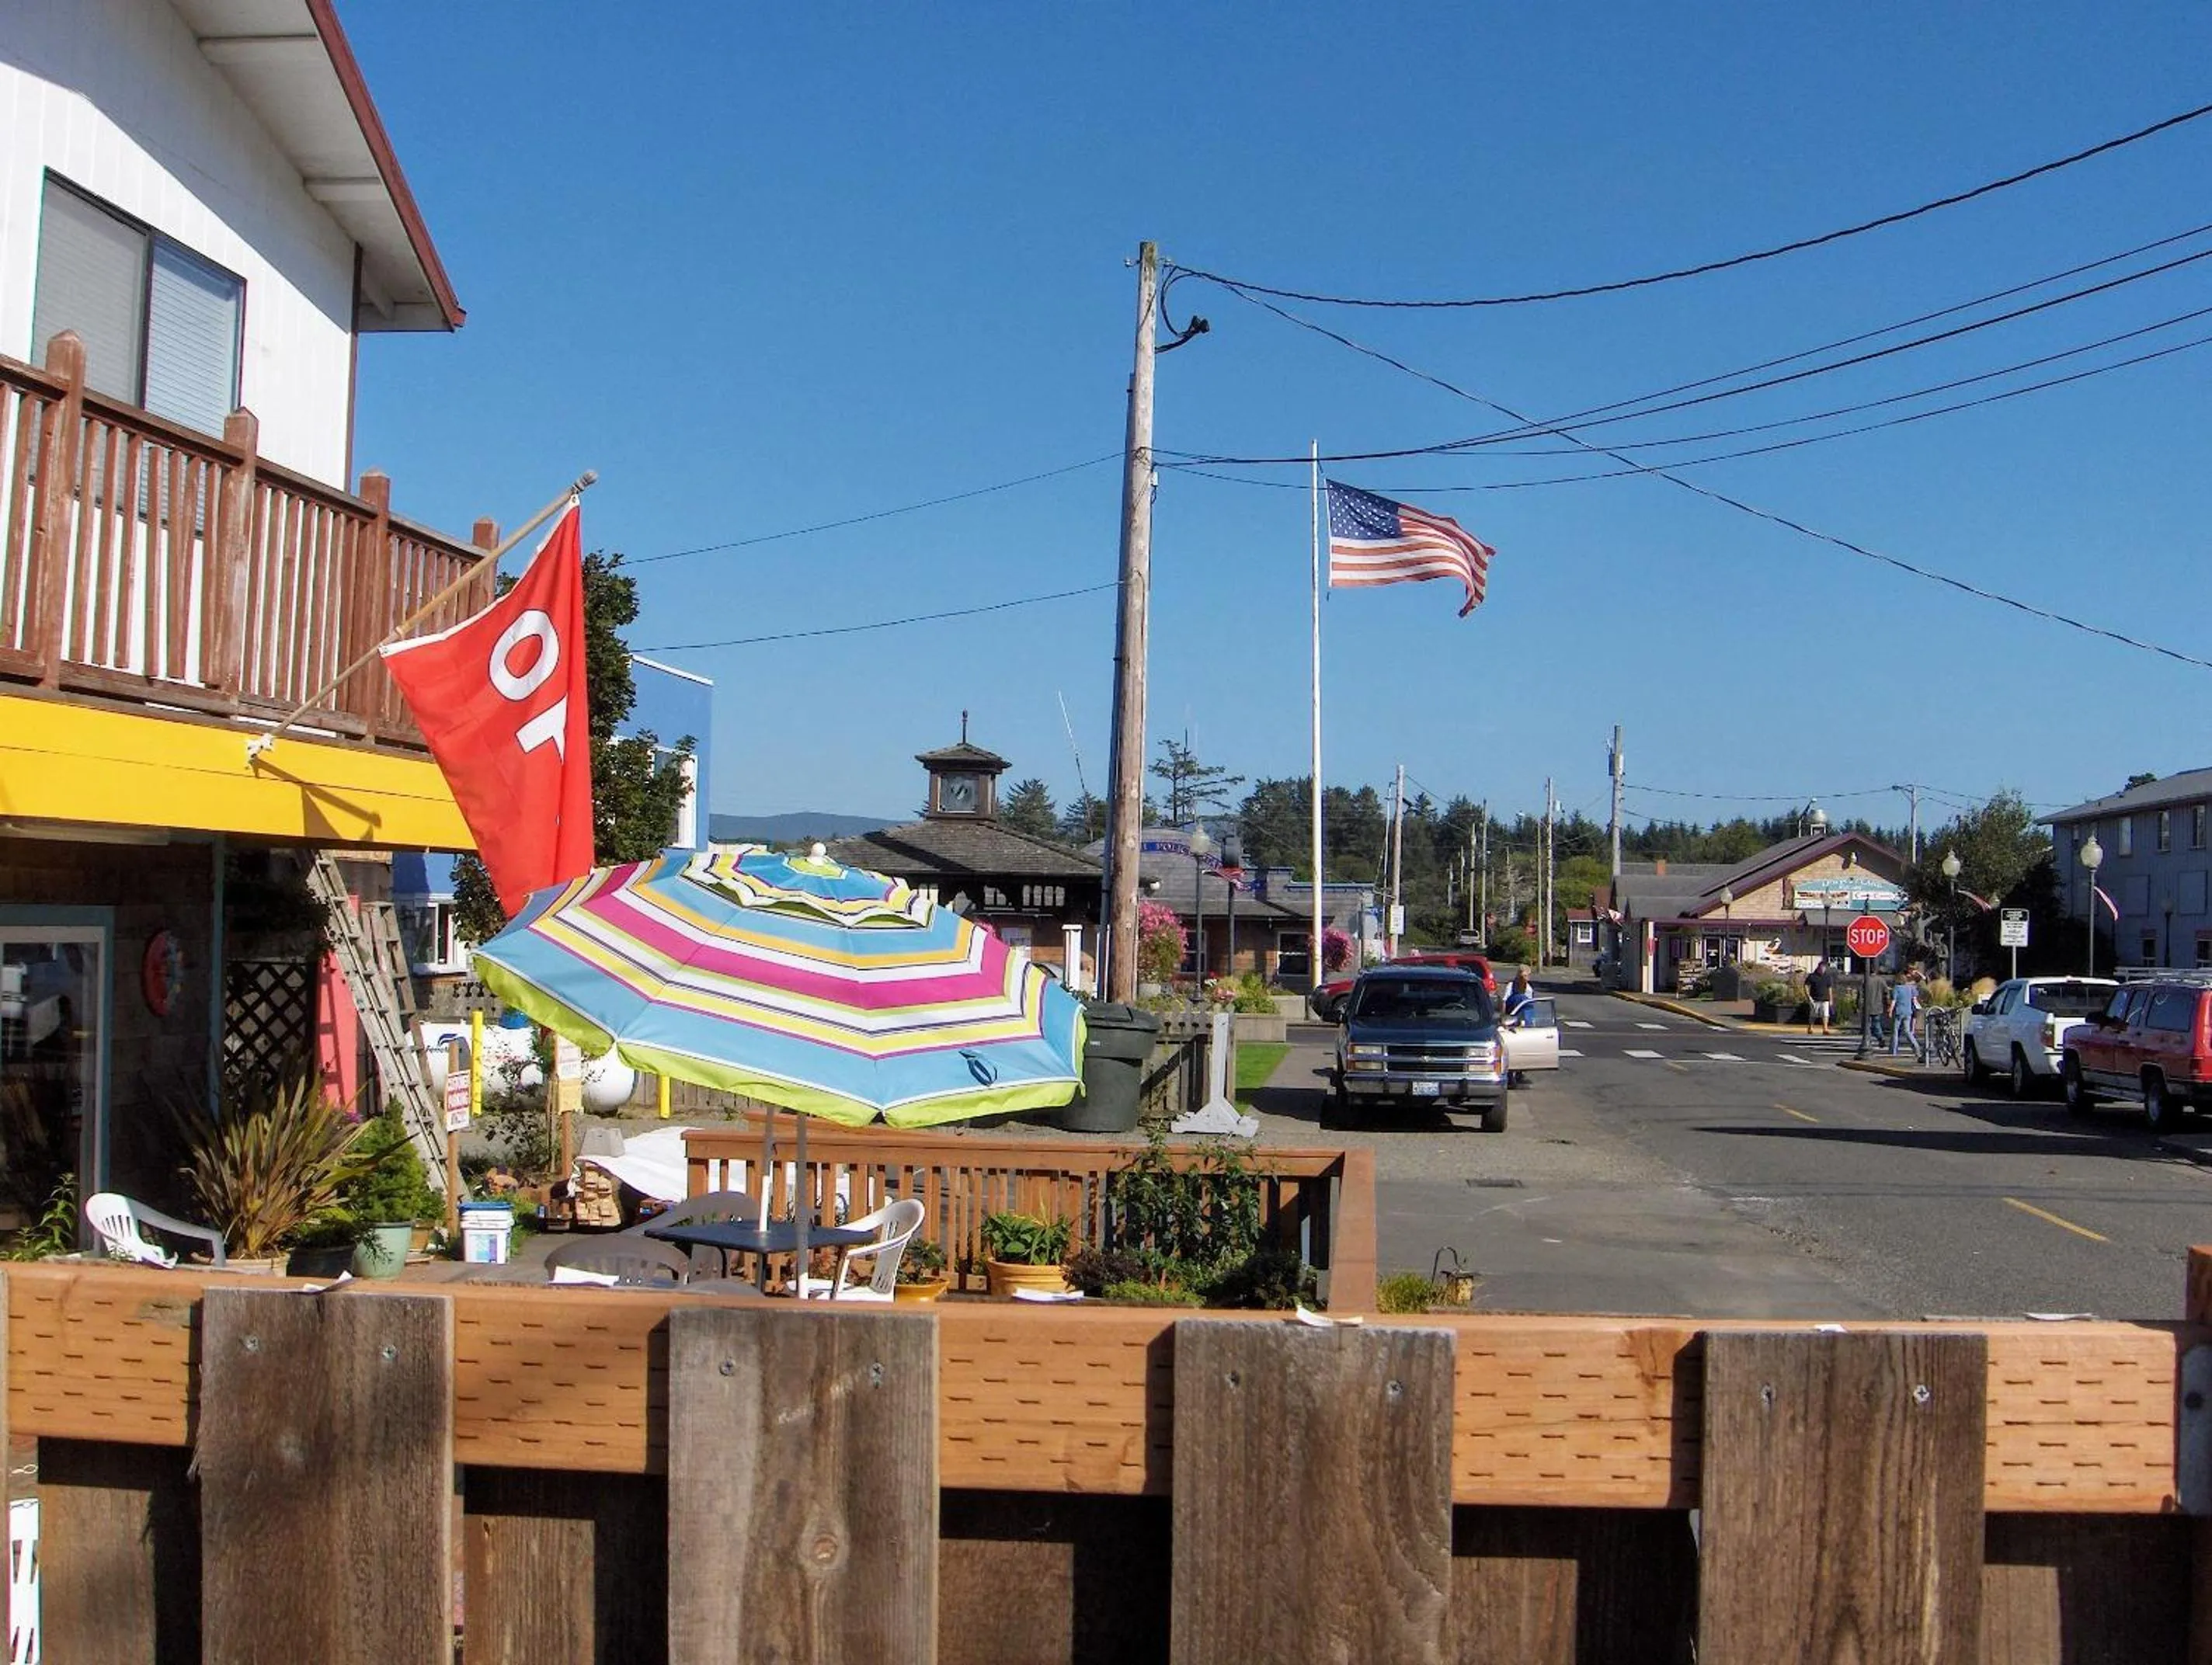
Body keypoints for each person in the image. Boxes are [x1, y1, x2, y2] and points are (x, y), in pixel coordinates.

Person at [1887, 968, 1925, 1062]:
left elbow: (1894, 1001)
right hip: (1908, 1012)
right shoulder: (1910, 988)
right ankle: (1917, 1048)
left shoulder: (1896, 989)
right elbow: (1914, 999)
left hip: (1899, 1012)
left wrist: (1890, 1011)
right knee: (1908, 1031)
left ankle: (1893, 1051)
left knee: (1895, 1032)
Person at [1806, 959, 1835, 1036]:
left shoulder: (1828, 977)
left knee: (1825, 1014)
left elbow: (1830, 988)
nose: (1823, 969)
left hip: (1825, 999)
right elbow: (1806, 985)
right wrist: (1808, 996)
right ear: (1818, 968)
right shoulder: (1812, 976)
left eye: (1824, 968)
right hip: (1815, 999)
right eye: (1822, 968)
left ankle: (1825, 1029)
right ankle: (1810, 1027)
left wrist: (1831, 999)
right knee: (1813, 1014)